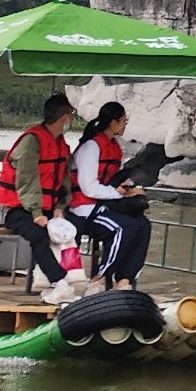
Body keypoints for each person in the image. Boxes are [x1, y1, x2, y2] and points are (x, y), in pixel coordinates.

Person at [0, 92, 80, 298]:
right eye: (71, 116)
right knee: (39, 235)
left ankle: (78, 279)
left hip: (51, 208)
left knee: (76, 226)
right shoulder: (32, 141)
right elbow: (26, 180)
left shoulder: (61, 144)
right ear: (64, 118)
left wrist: (61, 206)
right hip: (20, 210)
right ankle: (60, 282)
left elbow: (64, 180)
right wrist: (37, 212)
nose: (72, 120)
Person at [65, 100, 151, 291]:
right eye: (123, 120)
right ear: (113, 122)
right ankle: (100, 277)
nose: (125, 124)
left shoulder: (114, 147)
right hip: (85, 209)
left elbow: (113, 180)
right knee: (124, 227)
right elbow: (88, 187)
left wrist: (129, 190)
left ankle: (125, 279)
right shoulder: (91, 147)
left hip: (105, 203)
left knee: (143, 225)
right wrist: (117, 194)